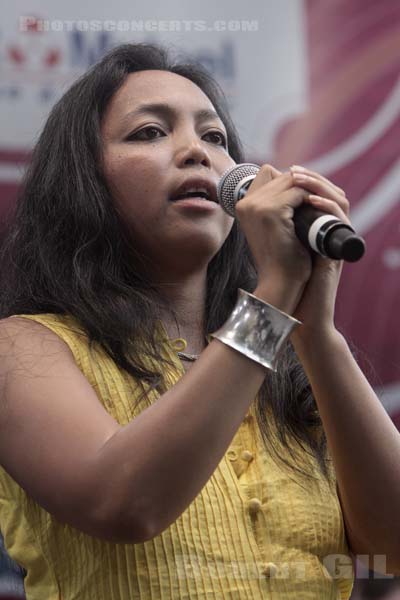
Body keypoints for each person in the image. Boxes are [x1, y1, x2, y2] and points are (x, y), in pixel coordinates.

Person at [0, 42, 399, 600]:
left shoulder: (283, 365)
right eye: (149, 132)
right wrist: (275, 296)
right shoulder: (24, 348)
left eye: (215, 137)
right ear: (84, 181)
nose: (198, 151)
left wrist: (316, 330)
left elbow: (392, 542)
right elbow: (125, 505)